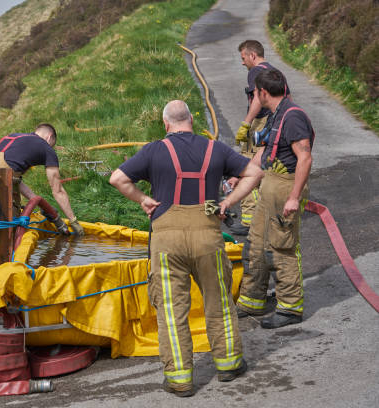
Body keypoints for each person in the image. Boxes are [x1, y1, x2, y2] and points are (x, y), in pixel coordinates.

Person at [110, 100, 263, 396]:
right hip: (207, 232)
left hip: (167, 240)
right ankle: (229, 364)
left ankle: (180, 379)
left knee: (171, 309)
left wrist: (143, 199)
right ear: (191, 119)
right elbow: (255, 174)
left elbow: (117, 178)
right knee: (218, 301)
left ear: (165, 123)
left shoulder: (155, 149)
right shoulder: (214, 148)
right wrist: (227, 202)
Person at [236, 69, 314, 329]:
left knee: (282, 248)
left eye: (255, 93)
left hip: (285, 189)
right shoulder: (275, 115)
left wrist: (294, 197)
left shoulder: (293, 118)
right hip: (270, 183)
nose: (254, 97)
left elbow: (304, 158)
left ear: (263, 93)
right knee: (256, 243)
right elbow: (264, 153)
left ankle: (290, 307)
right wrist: (240, 174)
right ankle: (252, 300)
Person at [0, 124, 84, 282]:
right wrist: (73, 220)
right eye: (52, 143)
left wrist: (37, 201)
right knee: (8, 230)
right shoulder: (46, 147)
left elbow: (14, 176)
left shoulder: (14, 137)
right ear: (49, 137)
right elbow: (57, 190)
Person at [229, 40, 291, 236]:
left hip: (260, 123)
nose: (242, 62)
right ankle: (267, 214)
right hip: (272, 122)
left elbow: (257, 99)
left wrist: (246, 123)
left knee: (247, 167)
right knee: (265, 167)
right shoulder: (274, 72)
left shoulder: (256, 72)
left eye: (243, 58)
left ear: (252, 55)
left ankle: (250, 221)